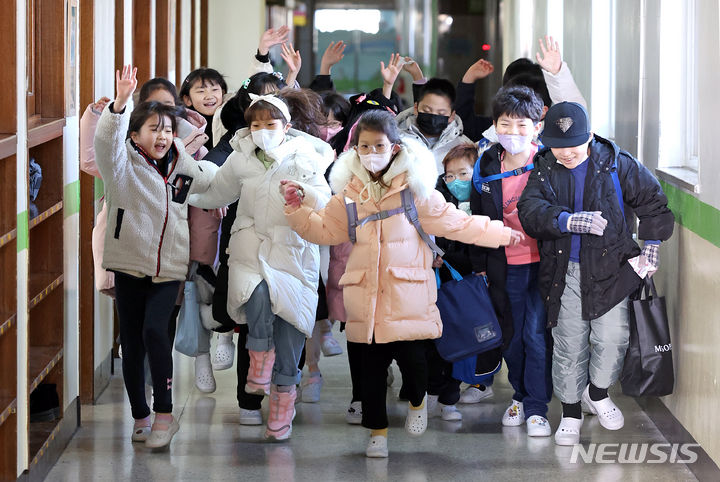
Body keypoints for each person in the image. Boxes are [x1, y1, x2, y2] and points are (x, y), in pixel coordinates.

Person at [281, 109, 520, 458]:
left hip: (408, 293)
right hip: (366, 298)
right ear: (355, 149)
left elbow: (455, 223)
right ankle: (377, 433)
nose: (371, 152)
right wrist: (297, 210)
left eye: (378, 145)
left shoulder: (416, 189)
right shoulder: (349, 193)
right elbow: (324, 230)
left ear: (394, 147)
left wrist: (499, 233)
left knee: (415, 362)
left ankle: (419, 402)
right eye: (364, 146)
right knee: (371, 372)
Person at [517, 101, 674, 445]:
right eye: (557, 148)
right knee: (569, 344)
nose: (565, 155)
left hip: (612, 270)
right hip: (565, 272)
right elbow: (529, 211)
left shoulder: (616, 162)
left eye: (572, 148)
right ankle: (570, 413)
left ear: (588, 137)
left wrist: (652, 243)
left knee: (612, 339)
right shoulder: (544, 167)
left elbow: (653, 202)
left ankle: (598, 392)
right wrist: (566, 220)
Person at [188, 94, 332, 441]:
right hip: (250, 245)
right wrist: (184, 190)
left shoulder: (305, 157)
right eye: (256, 125)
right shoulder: (240, 159)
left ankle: (283, 405)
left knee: (291, 331)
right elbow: (215, 193)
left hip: (294, 249)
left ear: (287, 126)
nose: (263, 131)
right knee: (256, 294)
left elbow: (325, 198)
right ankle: (258, 358)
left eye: (270, 125)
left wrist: (304, 194)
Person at [94, 65, 217, 448]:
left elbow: (214, 189)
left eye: (167, 128)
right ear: (135, 135)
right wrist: (119, 105)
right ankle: (140, 415)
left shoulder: (184, 165)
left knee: (154, 332)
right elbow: (104, 145)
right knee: (131, 344)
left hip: (170, 269)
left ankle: (165, 413)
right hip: (130, 265)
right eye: (153, 128)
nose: (162, 135)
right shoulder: (121, 165)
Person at [470, 86, 553, 436]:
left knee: (535, 334)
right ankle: (519, 395)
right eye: (506, 124)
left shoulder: (550, 161)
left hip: (546, 263)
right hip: (504, 265)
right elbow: (475, 217)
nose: (514, 132)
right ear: (495, 125)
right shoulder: (486, 164)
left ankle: (536, 406)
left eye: (523, 125)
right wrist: (480, 268)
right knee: (512, 337)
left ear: (538, 125)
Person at [426, 142, 492, 422]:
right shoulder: (438, 204)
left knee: (468, 341)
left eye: (463, 174)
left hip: (474, 286)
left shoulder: (486, 203)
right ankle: (436, 395)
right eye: (450, 176)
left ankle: (457, 394)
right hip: (443, 285)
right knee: (440, 341)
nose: (456, 181)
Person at [396, 77, 473, 173]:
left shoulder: (463, 147)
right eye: (426, 111)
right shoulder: (396, 140)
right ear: (416, 108)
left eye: (441, 113)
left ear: (452, 116)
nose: (433, 118)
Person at [179, 67, 228, 150]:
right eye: (201, 91)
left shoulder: (230, 117)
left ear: (223, 93)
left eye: (215, 89)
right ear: (187, 99)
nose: (209, 96)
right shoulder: (183, 124)